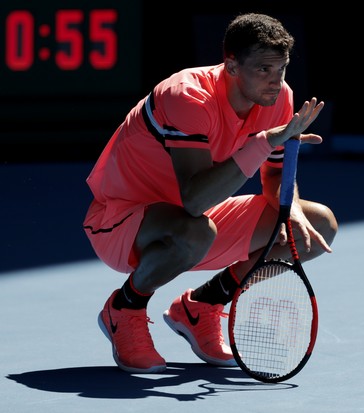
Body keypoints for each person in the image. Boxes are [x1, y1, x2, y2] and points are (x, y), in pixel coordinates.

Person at [82, 12, 338, 374]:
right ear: (232, 66)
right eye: (263, 69)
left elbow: (276, 174)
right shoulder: (187, 96)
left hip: (197, 224)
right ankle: (125, 308)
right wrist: (264, 142)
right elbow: (194, 200)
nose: (275, 81)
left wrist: (289, 206)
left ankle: (201, 305)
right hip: (122, 224)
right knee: (195, 229)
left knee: (314, 227)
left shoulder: (279, 98)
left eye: (281, 69)